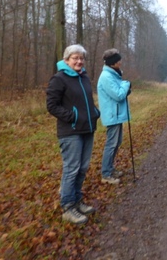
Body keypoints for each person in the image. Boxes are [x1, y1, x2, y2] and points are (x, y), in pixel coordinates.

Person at [46, 44, 100, 225]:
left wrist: (94, 112)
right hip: (70, 131)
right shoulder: (59, 79)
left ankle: (77, 201)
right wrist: (73, 117)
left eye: (81, 58)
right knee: (72, 168)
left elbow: (86, 101)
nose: (79, 61)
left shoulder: (83, 76)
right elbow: (52, 106)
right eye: (75, 58)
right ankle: (68, 207)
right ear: (66, 59)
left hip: (87, 128)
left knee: (83, 168)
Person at [98, 49, 131, 185]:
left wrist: (125, 87)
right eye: (118, 60)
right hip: (112, 114)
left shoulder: (113, 75)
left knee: (116, 143)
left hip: (116, 114)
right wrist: (126, 84)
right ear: (113, 63)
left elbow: (120, 93)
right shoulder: (106, 76)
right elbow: (118, 95)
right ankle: (106, 173)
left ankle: (110, 169)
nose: (121, 62)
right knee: (111, 144)